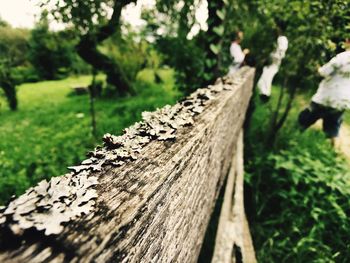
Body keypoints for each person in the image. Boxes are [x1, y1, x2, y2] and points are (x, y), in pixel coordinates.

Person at [298, 39, 350, 146]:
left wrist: (318, 69)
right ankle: (333, 153)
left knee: (305, 119)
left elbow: (324, 72)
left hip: (327, 96)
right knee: (333, 128)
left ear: (348, 42)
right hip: (343, 100)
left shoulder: (342, 57)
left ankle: (292, 140)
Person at [257, 25, 288, 101]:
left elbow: (281, 53)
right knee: (264, 79)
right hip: (271, 63)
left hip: (274, 63)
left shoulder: (282, 39)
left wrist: (273, 57)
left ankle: (265, 95)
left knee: (267, 78)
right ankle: (264, 94)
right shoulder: (277, 38)